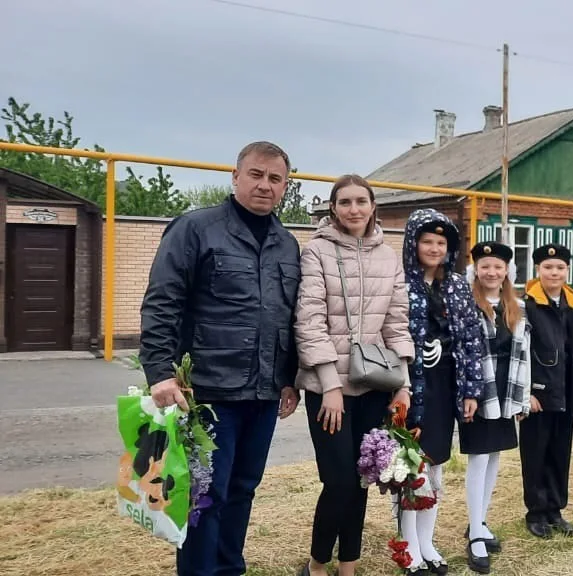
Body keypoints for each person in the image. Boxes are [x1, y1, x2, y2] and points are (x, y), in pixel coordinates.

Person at [138, 141, 301, 576]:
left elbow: (286, 317)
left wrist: (289, 378)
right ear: (235, 176)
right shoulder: (195, 229)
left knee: (244, 488)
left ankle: (230, 569)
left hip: (263, 393)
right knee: (206, 494)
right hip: (208, 393)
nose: (264, 185)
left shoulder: (287, 244)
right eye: (256, 174)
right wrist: (159, 372)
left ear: (286, 185)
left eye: (275, 178)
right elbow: (161, 303)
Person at [293, 175, 416, 576]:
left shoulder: (388, 256)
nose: (353, 209)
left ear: (372, 205)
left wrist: (403, 385)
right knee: (339, 480)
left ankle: (349, 563)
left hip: (374, 385)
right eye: (344, 202)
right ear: (333, 207)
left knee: (362, 478)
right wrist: (330, 386)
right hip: (329, 389)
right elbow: (309, 323)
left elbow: (397, 324)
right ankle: (316, 562)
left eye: (361, 201)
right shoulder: (316, 252)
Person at [401, 209, 486, 575]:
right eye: (427, 241)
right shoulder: (399, 283)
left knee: (435, 465)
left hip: (445, 386)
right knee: (410, 467)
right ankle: (407, 546)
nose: (434, 248)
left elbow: (470, 339)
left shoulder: (456, 286)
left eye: (441, 242)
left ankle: (428, 540)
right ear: (413, 243)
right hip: (408, 387)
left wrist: (471, 390)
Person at [458, 240, 530, 574]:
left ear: (506, 272)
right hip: (478, 390)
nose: (491, 272)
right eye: (485, 266)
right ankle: (473, 532)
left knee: (495, 458)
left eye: (498, 267)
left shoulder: (515, 305)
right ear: (476, 271)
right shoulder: (465, 302)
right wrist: (466, 392)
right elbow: (462, 352)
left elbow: (523, 355)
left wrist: (521, 396)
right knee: (479, 458)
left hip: (505, 390)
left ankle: (481, 521)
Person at [521, 243, 573, 539]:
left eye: (560, 267)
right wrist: (527, 391)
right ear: (537, 270)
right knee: (536, 452)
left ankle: (555, 509)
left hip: (568, 390)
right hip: (539, 393)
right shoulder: (528, 304)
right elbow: (521, 353)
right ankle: (535, 512)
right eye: (548, 267)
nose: (554, 272)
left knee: (560, 452)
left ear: (568, 270)